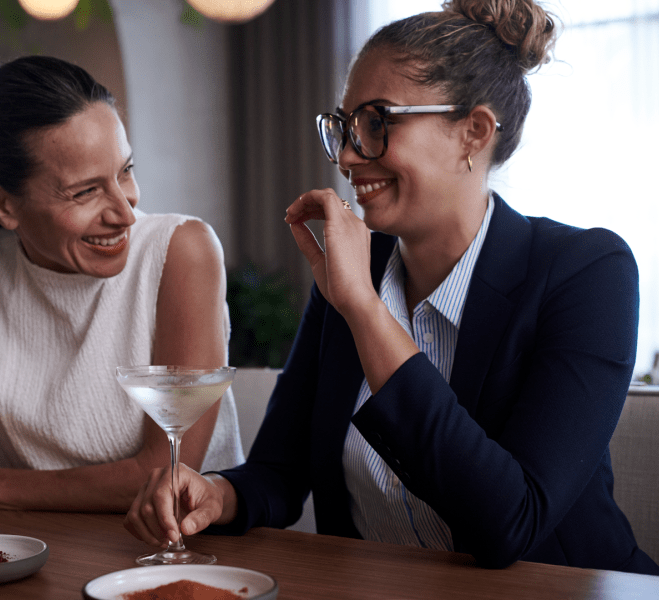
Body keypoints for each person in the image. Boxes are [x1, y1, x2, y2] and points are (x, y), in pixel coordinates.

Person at [125, 0, 659, 575]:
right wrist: (218, 495)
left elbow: (511, 523)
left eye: (377, 124)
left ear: (472, 134)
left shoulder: (586, 272)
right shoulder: (356, 266)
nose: (350, 156)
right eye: (346, 127)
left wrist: (362, 308)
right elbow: (280, 472)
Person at [0, 55, 243, 513]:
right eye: (85, 191)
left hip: (183, 553)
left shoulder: (181, 250)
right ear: (1, 205)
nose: (125, 211)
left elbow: (166, 473)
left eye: (125, 171)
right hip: (28, 558)